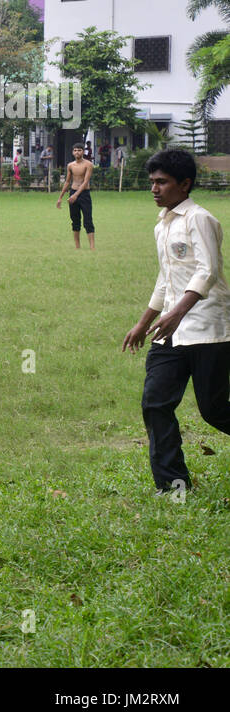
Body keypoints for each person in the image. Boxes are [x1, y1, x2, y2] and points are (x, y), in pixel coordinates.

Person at [122, 149, 230, 495]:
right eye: (152, 182)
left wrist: (177, 313)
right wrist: (144, 321)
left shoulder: (200, 219)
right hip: (170, 330)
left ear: (184, 184)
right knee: (155, 403)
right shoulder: (163, 224)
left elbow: (208, 270)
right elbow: (166, 278)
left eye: (162, 182)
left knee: (214, 410)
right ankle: (173, 486)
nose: (154, 188)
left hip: (207, 328)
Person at [56, 141, 95, 250]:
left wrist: (76, 195)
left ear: (83, 152)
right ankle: (77, 247)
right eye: (75, 150)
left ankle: (92, 247)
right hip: (73, 193)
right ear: (73, 152)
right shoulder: (70, 165)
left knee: (88, 220)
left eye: (79, 150)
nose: (77, 152)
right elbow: (67, 182)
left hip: (84, 194)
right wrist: (60, 198)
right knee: (75, 220)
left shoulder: (88, 165)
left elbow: (86, 181)